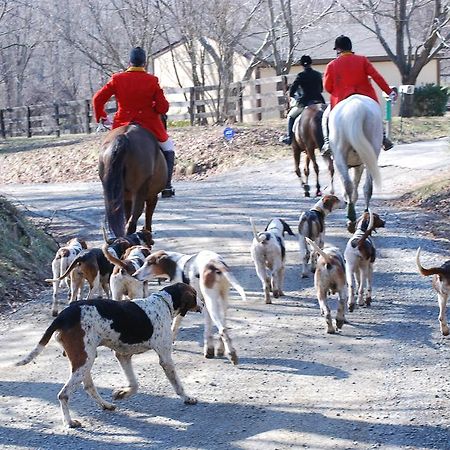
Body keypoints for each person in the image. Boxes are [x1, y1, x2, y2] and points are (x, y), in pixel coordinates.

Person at [93, 47, 175, 198]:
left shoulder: (117, 79)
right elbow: (163, 107)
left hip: (122, 123)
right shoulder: (152, 80)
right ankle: (167, 186)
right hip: (149, 124)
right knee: (169, 147)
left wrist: (102, 117)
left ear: (129, 62)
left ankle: (108, 182)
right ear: (144, 63)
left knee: (108, 149)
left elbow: (98, 99)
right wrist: (154, 107)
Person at [320, 35, 397, 157]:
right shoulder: (362, 60)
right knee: (375, 112)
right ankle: (383, 138)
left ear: (338, 49)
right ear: (350, 48)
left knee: (326, 117)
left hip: (341, 99)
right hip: (365, 95)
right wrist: (389, 92)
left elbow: (327, 87)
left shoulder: (332, 65)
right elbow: (377, 77)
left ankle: (328, 143)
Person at [281, 55, 325, 145]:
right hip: (319, 101)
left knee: (290, 116)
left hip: (305, 101)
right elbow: (321, 89)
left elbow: (292, 90)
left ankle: (289, 137)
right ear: (311, 63)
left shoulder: (301, 75)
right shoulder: (317, 74)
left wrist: (294, 96)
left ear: (302, 65)